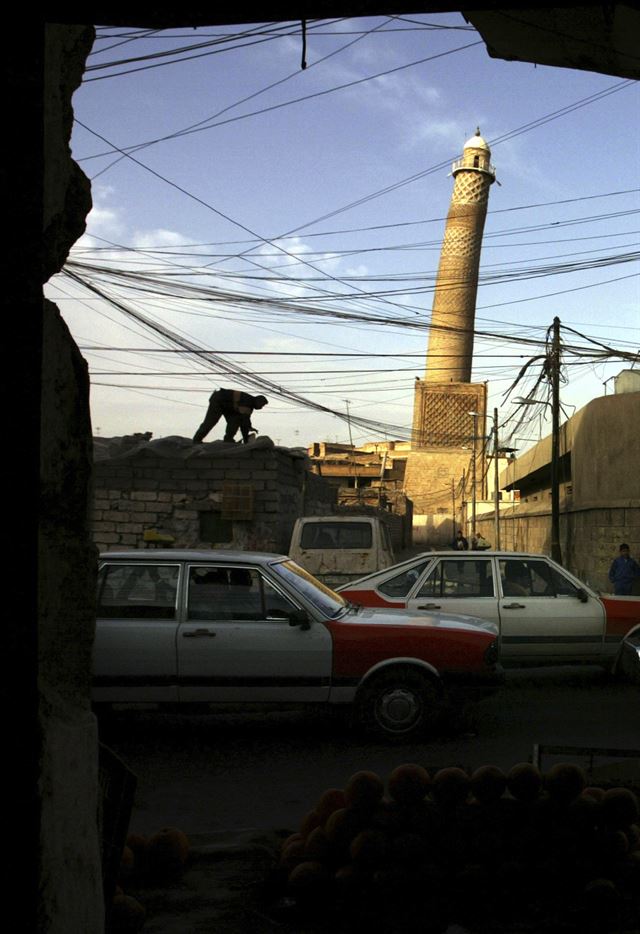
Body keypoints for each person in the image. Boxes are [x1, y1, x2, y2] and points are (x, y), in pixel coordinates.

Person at [193, 389, 268, 444]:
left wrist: (249, 428)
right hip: (219, 400)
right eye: (262, 405)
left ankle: (228, 439)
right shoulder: (247, 402)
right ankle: (197, 439)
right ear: (258, 401)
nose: (261, 407)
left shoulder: (249, 404)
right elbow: (244, 423)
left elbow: (245, 421)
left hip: (229, 406)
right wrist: (246, 441)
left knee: (234, 420)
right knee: (211, 421)